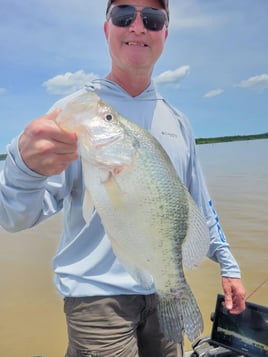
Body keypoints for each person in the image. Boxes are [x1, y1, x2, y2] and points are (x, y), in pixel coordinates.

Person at [0, 0, 246, 356]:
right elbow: (13, 217)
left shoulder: (178, 121)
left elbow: (200, 204)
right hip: (97, 301)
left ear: (164, 32)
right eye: (123, 15)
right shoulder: (76, 111)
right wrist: (23, 168)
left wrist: (228, 264)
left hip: (164, 285)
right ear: (106, 29)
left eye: (152, 18)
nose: (137, 26)